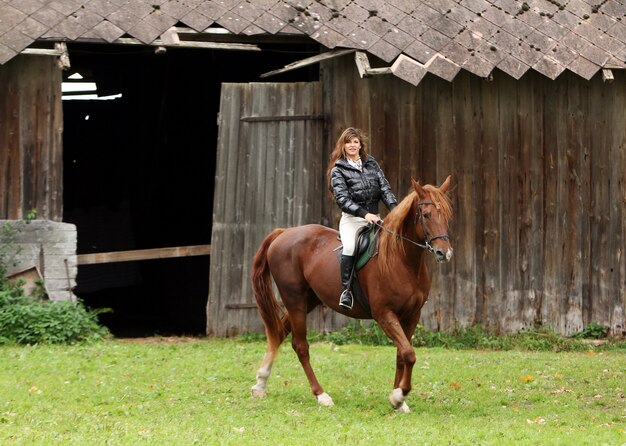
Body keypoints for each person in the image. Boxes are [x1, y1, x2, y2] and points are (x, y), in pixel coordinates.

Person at [326, 127, 398, 310]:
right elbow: (342, 199)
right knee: (350, 247)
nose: (352, 145)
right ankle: (346, 291)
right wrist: (364, 214)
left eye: (355, 142)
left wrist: (396, 211)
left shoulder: (371, 164)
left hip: (376, 218)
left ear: (360, 145)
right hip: (353, 220)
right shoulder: (338, 170)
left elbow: (385, 189)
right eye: (348, 142)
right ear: (343, 145)